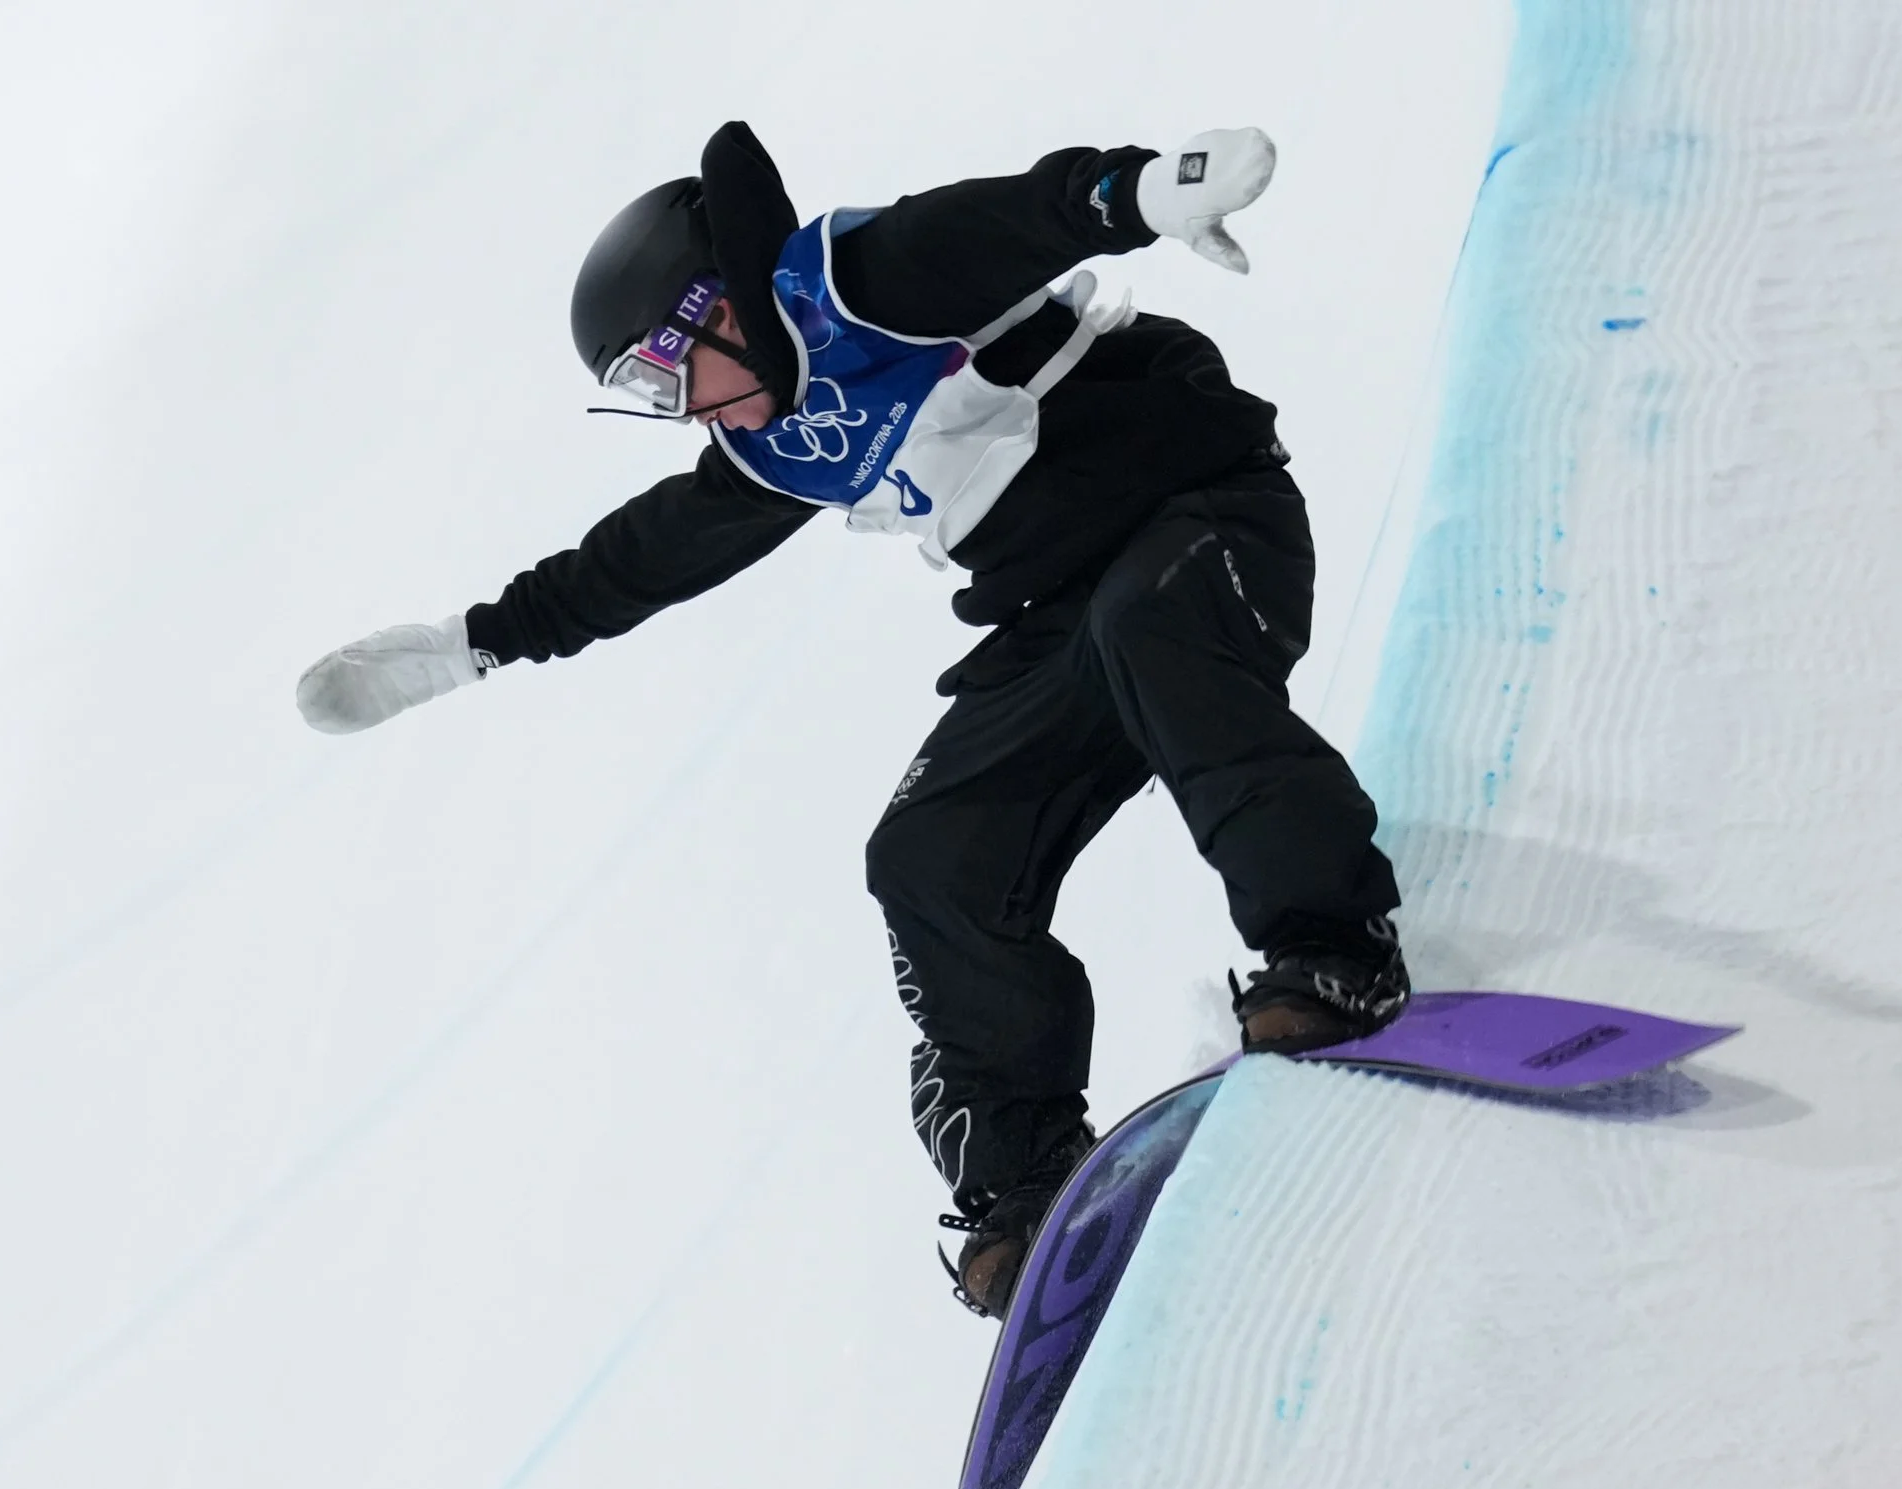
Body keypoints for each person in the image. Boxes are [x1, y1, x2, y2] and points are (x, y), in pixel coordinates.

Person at [294, 122, 1408, 1318]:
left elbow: (1006, 221)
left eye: (665, 375)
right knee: (929, 856)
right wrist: (474, 642)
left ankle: (1332, 951)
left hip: (1205, 512)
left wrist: (1134, 190)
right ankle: (1022, 1179)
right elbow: (643, 559)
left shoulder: (859, 286)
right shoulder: (774, 443)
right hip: (1058, 620)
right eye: (646, 399)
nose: (681, 413)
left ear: (713, 310)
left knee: (1153, 631)